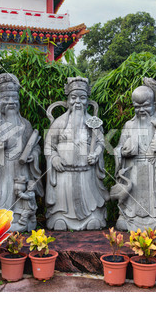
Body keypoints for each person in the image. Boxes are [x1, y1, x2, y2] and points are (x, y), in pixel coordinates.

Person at [112, 77, 156, 235]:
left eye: (145, 106)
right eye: (137, 107)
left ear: (153, 105)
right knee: (125, 221)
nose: (141, 110)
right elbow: (117, 148)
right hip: (134, 170)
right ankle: (129, 216)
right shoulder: (129, 126)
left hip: (153, 171)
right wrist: (123, 152)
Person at [0, 73, 43, 232]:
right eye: (6, 99)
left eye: (14, 99)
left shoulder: (25, 124)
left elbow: (35, 147)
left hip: (23, 171)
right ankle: (2, 218)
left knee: (23, 197)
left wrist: (32, 155)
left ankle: (24, 218)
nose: (11, 102)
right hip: (2, 170)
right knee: (4, 192)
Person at [44, 76, 109, 231]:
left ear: (88, 101)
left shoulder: (93, 122)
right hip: (64, 175)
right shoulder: (59, 122)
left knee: (93, 216)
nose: (78, 102)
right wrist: (54, 158)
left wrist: (96, 153)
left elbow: (100, 142)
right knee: (60, 214)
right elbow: (48, 146)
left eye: (82, 98)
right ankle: (60, 216)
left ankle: (92, 217)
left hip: (86, 174)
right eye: (73, 98)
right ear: (68, 100)